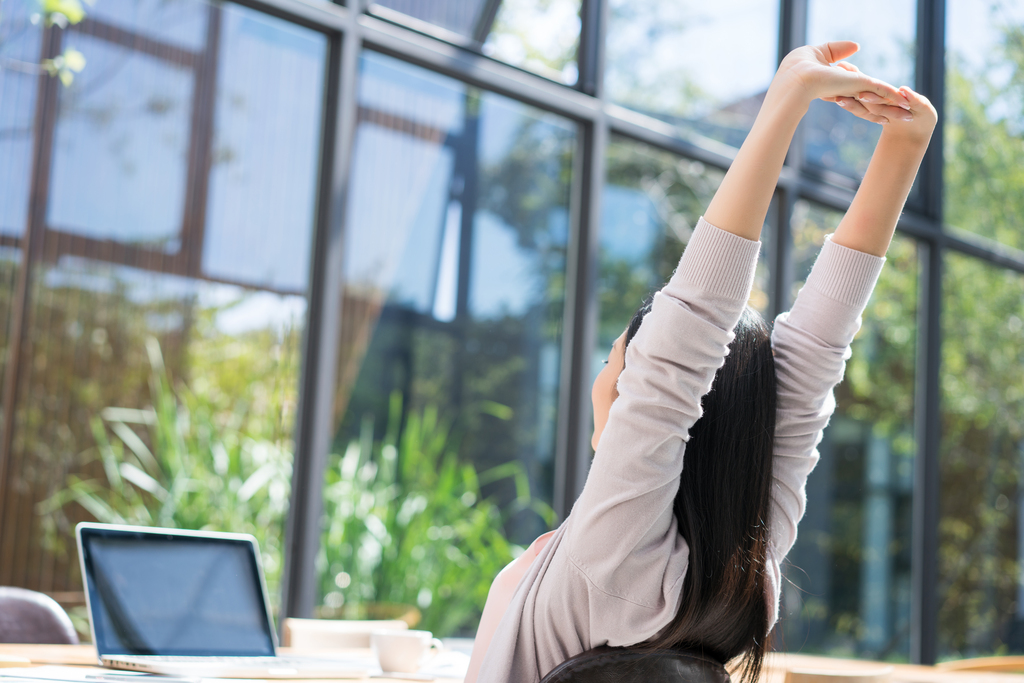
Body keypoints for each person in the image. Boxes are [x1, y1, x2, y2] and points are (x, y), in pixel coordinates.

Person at [465, 41, 937, 683]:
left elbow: (691, 330)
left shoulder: (616, 550)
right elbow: (807, 368)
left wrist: (787, 100)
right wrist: (902, 150)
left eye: (617, 359)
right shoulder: (746, 575)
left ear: (634, 386)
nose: (607, 378)